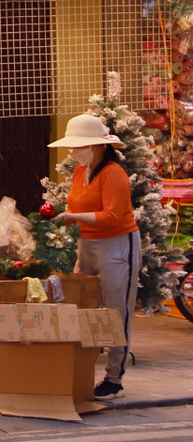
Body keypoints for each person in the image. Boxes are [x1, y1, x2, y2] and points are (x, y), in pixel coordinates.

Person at [48, 113, 139, 401]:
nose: (72, 152)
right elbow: (75, 204)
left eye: (78, 147)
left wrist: (73, 217)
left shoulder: (113, 173)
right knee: (81, 303)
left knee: (116, 309)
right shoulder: (78, 172)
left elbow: (113, 217)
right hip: (87, 244)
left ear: (96, 146)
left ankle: (114, 378)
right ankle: (81, 368)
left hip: (116, 245)